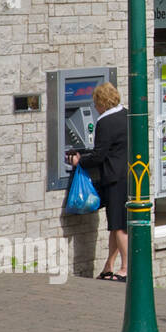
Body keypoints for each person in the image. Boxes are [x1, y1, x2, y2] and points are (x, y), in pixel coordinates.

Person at [66, 82, 128, 282]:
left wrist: (79, 160)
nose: (94, 107)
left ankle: (126, 269)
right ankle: (109, 266)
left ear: (102, 102)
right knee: (115, 225)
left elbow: (100, 155)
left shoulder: (105, 122)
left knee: (119, 226)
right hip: (128, 176)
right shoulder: (125, 115)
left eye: (95, 103)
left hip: (114, 179)